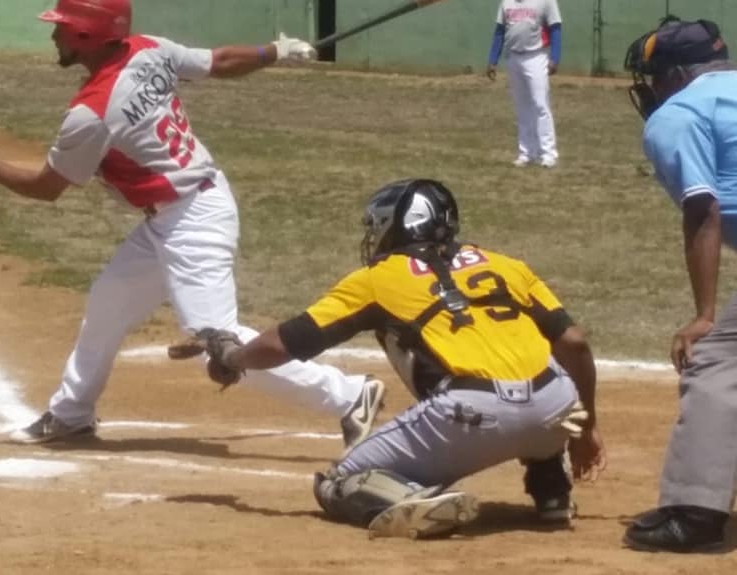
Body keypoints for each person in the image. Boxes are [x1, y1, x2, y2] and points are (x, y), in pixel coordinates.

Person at [0, 0, 385, 447]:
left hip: (193, 219)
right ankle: (72, 413)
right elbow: (218, 62)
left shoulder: (93, 112)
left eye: (62, 26)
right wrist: (274, 52)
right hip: (174, 213)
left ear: (87, 35)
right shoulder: (148, 49)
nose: (54, 34)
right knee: (108, 305)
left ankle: (349, 396)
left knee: (220, 346)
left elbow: (47, 188)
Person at [185, 178, 607, 538]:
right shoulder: (507, 265)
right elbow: (575, 344)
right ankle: (551, 488)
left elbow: (288, 342)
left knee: (339, 483)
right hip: (559, 412)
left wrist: (233, 355)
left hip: (472, 417)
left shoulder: (378, 279)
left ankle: (412, 500)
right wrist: (584, 429)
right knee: (539, 369)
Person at [622, 17, 737, 553]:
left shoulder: (678, 114)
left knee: (717, 359)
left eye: (653, 77)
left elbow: (702, 207)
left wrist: (704, 313)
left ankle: (695, 513)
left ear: (677, 74)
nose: (649, 89)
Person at [486, 0, 561, 168]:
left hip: (536, 56)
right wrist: (493, 60)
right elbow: (500, 31)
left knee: (540, 104)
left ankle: (548, 153)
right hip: (513, 58)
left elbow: (555, 28)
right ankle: (526, 152)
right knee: (522, 107)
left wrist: (555, 57)